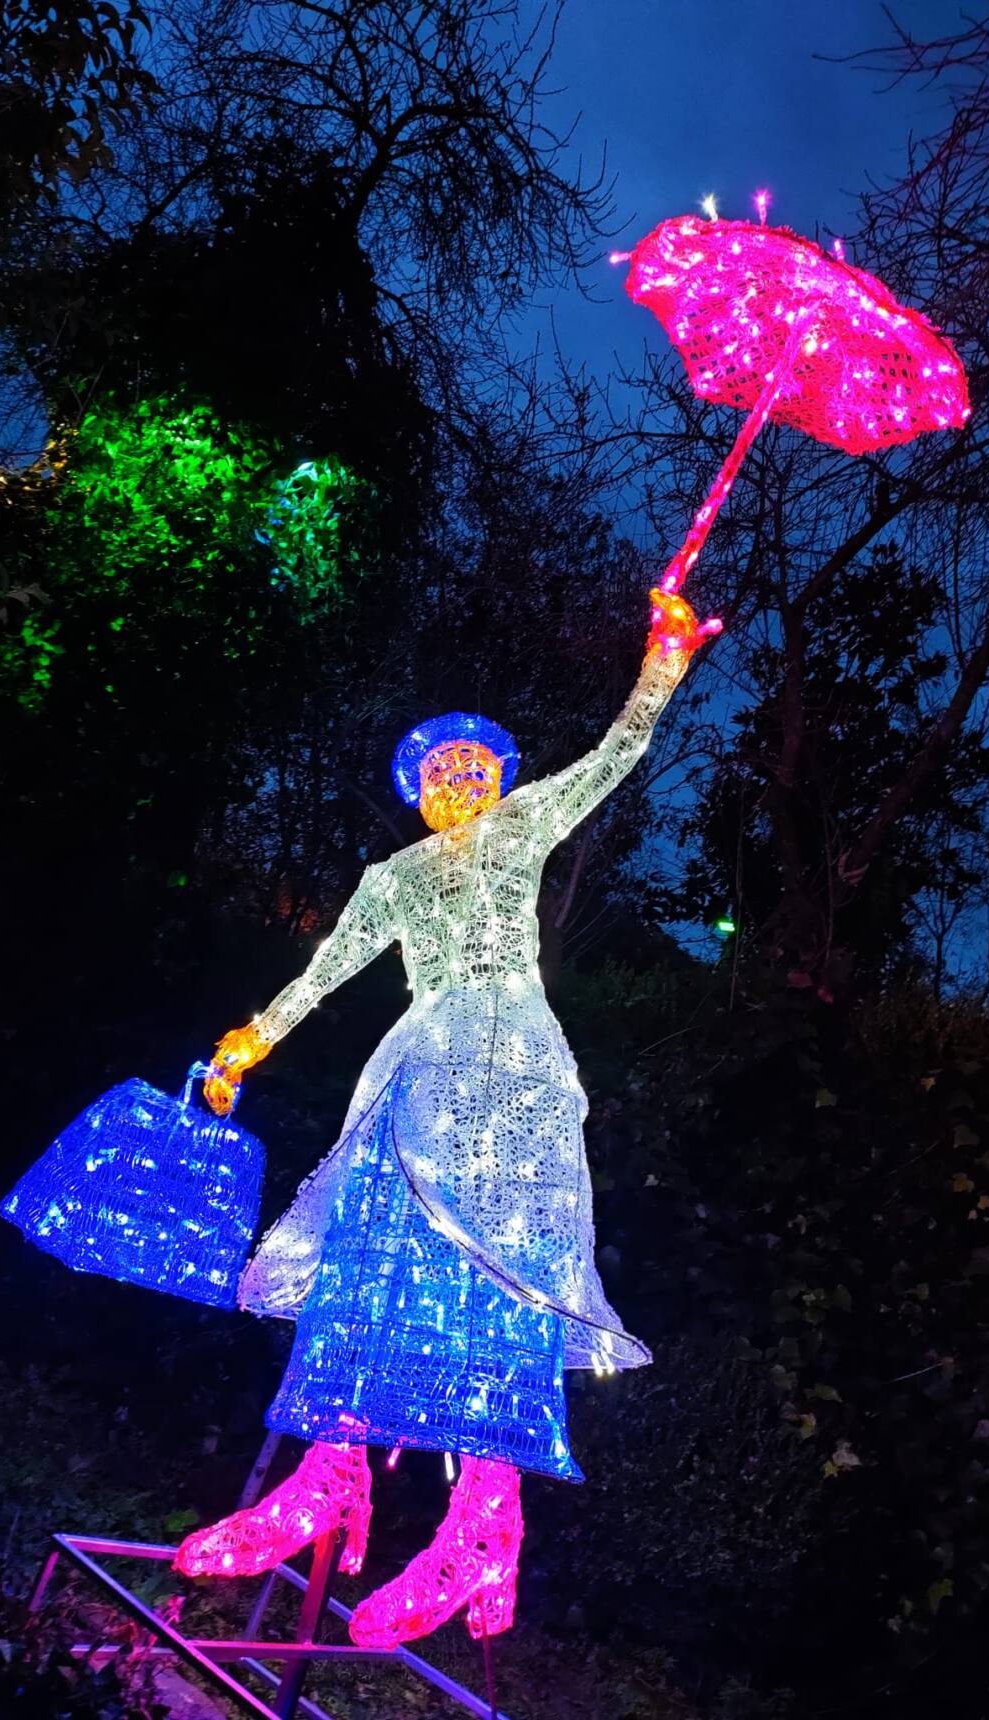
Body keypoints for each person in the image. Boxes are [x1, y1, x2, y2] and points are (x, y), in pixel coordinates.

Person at [174, 587, 719, 1648]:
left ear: (502, 782)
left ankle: (484, 1519)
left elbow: (612, 758)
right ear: (416, 790)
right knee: (372, 1254)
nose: (460, 779)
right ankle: (327, 1475)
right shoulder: (393, 877)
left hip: (510, 1069)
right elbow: (327, 969)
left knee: (499, 1267)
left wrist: (660, 667)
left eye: (479, 766)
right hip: (416, 1064)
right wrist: (251, 1039)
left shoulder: (521, 831)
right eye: (439, 769)